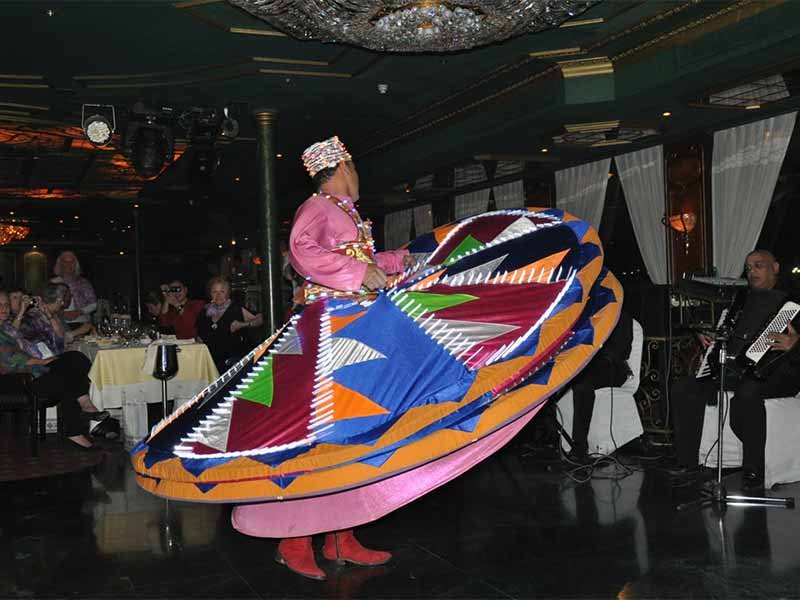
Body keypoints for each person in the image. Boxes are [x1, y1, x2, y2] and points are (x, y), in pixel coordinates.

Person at [264, 136, 413, 581]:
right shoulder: (317, 206)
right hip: (328, 333)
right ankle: (294, 540)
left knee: (352, 431)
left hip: (354, 332)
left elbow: (363, 261)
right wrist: (357, 272)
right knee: (320, 433)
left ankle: (340, 537)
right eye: (355, 166)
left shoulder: (344, 213)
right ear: (343, 166)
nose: (359, 174)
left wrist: (401, 261)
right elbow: (302, 250)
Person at [670, 250, 800, 491]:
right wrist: (709, 335)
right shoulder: (740, 300)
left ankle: (754, 470)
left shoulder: (794, 303)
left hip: (780, 373)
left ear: (776, 267)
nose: (751, 272)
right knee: (684, 390)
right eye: (748, 268)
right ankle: (687, 464)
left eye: (758, 265)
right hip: (735, 369)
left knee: (747, 394)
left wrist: (795, 344)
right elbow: (726, 332)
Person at [0, 290, 107, 450]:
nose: (4, 309)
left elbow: (55, 340)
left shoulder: (7, 326)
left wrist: (44, 361)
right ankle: (75, 428)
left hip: (33, 370)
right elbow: (10, 358)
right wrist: (42, 361)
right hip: (16, 381)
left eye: (6, 305)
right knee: (67, 376)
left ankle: (84, 404)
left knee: (76, 358)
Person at [559, 310, 633, 461]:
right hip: (584, 365)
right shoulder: (587, 309)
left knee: (583, 382)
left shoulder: (620, 312)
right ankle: (549, 438)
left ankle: (579, 445)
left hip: (612, 368)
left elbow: (622, 350)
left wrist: (594, 358)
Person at [197, 276, 263, 372]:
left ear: (228, 293)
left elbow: (261, 319)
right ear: (210, 294)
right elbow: (200, 336)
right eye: (214, 292)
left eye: (222, 292)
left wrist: (242, 324)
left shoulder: (236, 308)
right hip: (210, 364)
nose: (218, 295)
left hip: (232, 364)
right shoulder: (205, 311)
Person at [51, 251, 97, 329]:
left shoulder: (84, 282)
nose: (69, 265)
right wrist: (61, 314)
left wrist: (79, 312)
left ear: (76, 265)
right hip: (59, 324)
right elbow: (46, 305)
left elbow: (94, 304)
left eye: (72, 262)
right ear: (60, 264)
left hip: (82, 323)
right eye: (65, 262)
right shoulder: (53, 283)